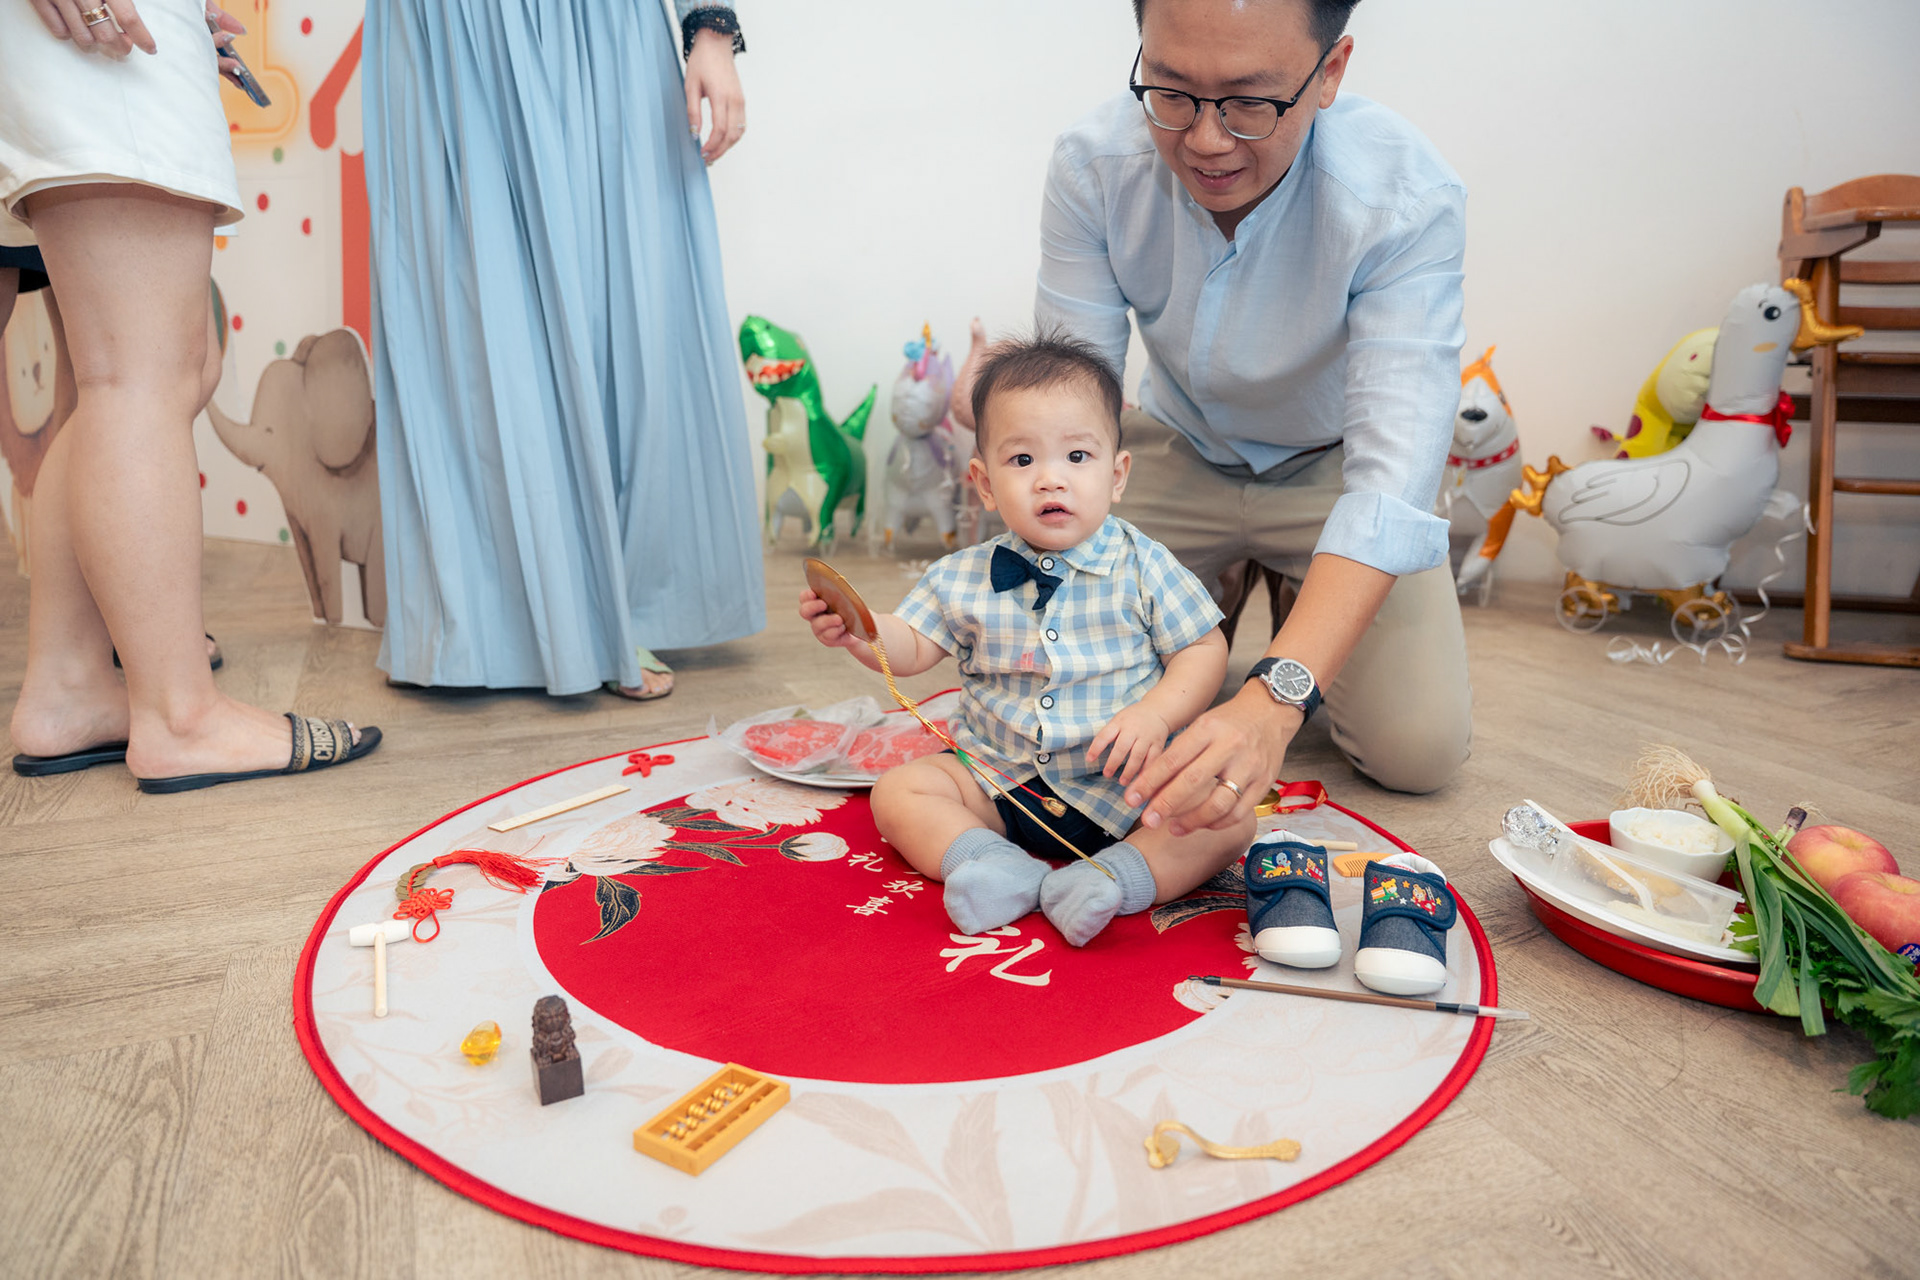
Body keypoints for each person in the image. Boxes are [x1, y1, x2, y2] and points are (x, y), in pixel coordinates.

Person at [954, 0, 1472, 838]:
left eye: (1249, 102)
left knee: (1418, 750)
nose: (1205, 139)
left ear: (1330, 72)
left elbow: (1392, 481)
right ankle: (1221, 585)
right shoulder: (1094, 163)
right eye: (1171, 92)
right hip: (1173, 449)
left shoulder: (1405, 196)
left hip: (1333, 472)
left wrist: (1273, 700)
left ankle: (1280, 588)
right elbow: (1071, 407)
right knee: (1068, 699)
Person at [2, 0, 379, 791]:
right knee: (139, 374)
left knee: (124, 375)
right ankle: (181, 717)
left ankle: (70, 684)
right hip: (105, 33)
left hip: (95, 32)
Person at [364, 0, 763, 700]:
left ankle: (616, 606)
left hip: (600, 22)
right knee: (471, 305)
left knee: (624, 300)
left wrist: (711, 28)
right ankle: (494, 619)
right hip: (449, 24)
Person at [800, 334, 1251, 947]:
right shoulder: (960, 575)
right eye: (1022, 461)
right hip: (997, 780)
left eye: (1077, 456)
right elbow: (912, 648)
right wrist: (863, 630)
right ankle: (992, 862)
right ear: (985, 484)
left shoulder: (1145, 565)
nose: (1050, 480)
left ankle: (1114, 877)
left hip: (1128, 790)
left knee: (1226, 818)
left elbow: (1201, 648)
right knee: (899, 792)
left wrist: (1156, 715)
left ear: (1117, 474)